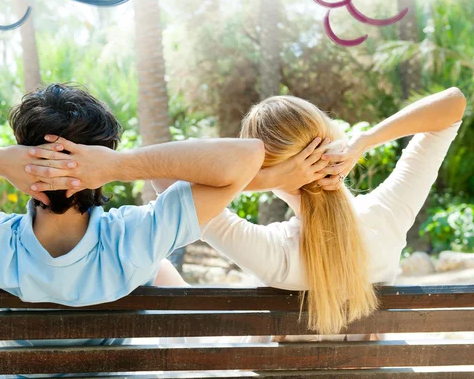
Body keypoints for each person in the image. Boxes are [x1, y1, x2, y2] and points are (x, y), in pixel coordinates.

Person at [30, 87, 464, 339]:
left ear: (267, 165)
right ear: (331, 138)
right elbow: (452, 107)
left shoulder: (269, 252)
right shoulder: (390, 212)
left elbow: (171, 183)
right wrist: (364, 140)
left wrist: (263, 175)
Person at [0, 82, 335, 307]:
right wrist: (117, 166)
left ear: (26, 163)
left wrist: (0, 161)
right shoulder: (138, 239)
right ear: (98, 167)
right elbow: (246, 156)